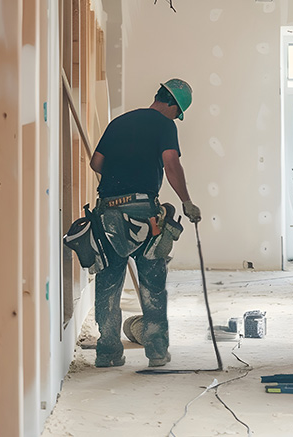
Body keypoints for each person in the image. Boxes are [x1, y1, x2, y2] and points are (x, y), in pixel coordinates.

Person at [89, 79, 201, 368]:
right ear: (173, 106)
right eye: (178, 113)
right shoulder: (165, 125)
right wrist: (186, 201)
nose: (176, 118)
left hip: (108, 212)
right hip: (143, 212)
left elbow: (96, 163)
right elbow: (171, 164)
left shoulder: (119, 122)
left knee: (108, 282)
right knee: (152, 282)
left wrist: (121, 172)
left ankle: (108, 352)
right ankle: (156, 351)